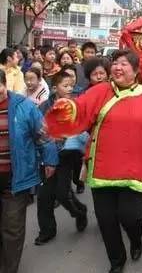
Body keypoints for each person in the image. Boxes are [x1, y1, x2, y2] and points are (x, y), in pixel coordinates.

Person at [45, 49, 142, 273]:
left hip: (133, 169)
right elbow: (80, 108)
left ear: (136, 71)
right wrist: (67, 108)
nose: (118, 67)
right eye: (116, 63)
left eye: (124, 64)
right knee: (106, 221)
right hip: (102, 168)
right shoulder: (101, 91)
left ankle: (135, 238)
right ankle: (117, 261)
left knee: (131, 217)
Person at [0, 69, 58, 273]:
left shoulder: (23, 107)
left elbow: (43, 134)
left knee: (12, 228)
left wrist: (50, 160)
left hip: (16, 178)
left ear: (4, 85)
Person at [35, 71, 89, 246]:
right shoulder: (44, 106)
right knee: (44, 196)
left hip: (67, 155)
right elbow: (38, 129)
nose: (69, 88)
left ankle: (80, 212)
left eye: (71, 85)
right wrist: (45, 135)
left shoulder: (75, 105)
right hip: (47, 155)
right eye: (65, 85)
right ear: (54, 87)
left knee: (62, 193)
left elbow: (82, 127)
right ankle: (47, 231)